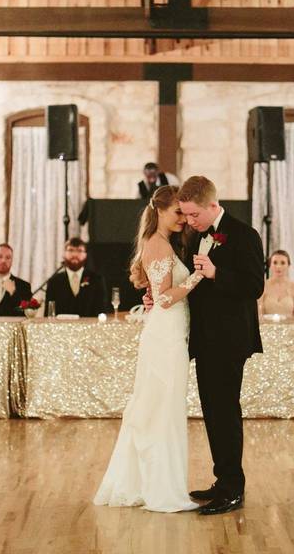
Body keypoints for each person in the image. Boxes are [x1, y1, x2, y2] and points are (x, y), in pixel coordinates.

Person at [94, 185, 203, 513]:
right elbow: (167, 297)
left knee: (164, 407)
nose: (183, 219)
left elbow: (160, 295)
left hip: (170, 332)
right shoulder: (156, 244)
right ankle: (160, 489)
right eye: (177, 213)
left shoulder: (163, 243)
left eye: (184, 213)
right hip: (165, 336)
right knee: (161, 409)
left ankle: (154, 482)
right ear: (160, 211)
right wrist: (198, 276)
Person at [180, 175, 264, 515]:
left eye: (193, 215)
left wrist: (217, 274)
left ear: (212, 205)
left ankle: (233, 488)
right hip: (205, 340)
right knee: (212, 412)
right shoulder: (196, 236)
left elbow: (255, 286)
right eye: (185, 215)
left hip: (229, 341)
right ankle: (222, 479)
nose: (189, 221)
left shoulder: (245, 235)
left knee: (226, 411)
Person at [44, 237, 109, 317]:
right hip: (61, 327)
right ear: (64, 254)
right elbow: (49, 314)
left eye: (79, 251)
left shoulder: (96, 280)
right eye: (70, 250)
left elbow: (102, 311)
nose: (75, 254)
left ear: (85, 255)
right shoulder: (54, 282)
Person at [257, 250, 294, 318]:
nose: (278, 266)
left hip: (290, 327)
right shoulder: (262, 286)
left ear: (288, 265)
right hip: (267, 327)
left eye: (283, 263)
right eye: (275, 263)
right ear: (270, 265)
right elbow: (259, 314)